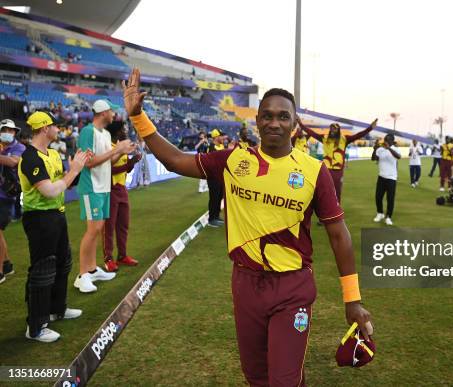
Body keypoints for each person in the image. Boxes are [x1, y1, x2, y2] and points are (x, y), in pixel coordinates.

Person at [123, 68, 373, 386]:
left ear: (295, 124)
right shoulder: (233, 161)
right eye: (267, 116)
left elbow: (339, 235)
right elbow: (174, 159)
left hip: (292, 288)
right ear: (257, 120)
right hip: (245, 285)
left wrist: (352, 300)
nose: (274, 122)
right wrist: (138, 117)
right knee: (257, 377)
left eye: (283, 116)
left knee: (282, 380)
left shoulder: (314, 171)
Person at [18, 111, 90, 342]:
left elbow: (65, 184)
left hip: (57, 216)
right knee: (42, 270)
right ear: (43, 128)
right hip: (39, 219)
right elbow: (50, 191)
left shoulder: (53, 154)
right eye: (54, 126)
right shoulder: (30, 158)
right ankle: (36, 327)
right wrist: (75, 171)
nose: (58, 129)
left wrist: (77, 168)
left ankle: (57, 309)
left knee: (63, 263)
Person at [74, 100, 135, 293]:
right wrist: (117, 149)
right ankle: (82, 275)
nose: (114, 115)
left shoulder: (106, 134)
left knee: (98, 228)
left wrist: (121, 151)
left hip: (103, 187)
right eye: (111, 112)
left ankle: (92, 269)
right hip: (91, 187)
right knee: (92, 230)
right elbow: (89, 163)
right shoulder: (88, 132)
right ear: (102, 113)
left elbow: (108, 160)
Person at [297, 120, 377, 203]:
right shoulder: (324, 138)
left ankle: (336, 208)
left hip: (337, 171)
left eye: (334, 129)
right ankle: (324, 207)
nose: (332, 130)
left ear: (338, 130)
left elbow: (358, 135)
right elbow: (312, 133)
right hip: (326, 169)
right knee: (324, 190)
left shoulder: (344, 139)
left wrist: (370, 128)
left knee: (337, 191)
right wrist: (300, 123)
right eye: (331, 128)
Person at [103, 121, 141, 272]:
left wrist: (132, 162)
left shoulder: (122, 147)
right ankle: (108, 259)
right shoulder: (108, 148)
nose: (126, 131)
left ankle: (122, 255)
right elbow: (107, 170)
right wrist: (128, 163)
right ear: (117, 132)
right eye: (123, 129)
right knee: (109, 227)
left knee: (123, 225)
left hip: (122, 189)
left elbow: (125, 171)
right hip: (110, 190)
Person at [0, 119, 25, 284]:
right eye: (5, 130)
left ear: (15, 132)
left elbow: (13, 161)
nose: (8, 133)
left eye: (11, 130)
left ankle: (0, 272)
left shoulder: (19, 147)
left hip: (6, 196)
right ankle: (7, 265)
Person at [372, 133, 401, 225]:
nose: (386, 141)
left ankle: (388, 216)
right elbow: (373, 159)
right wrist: (375, 149)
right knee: (378, 197)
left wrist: (389, 148)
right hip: (381, 176)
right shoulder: (380, 149)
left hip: (392, 178)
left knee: (390, 198)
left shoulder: (395, 149)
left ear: (392, 141)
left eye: (388, 140)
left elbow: (398, 157)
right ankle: (380, 213)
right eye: (385, 139)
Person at [207, 129, 227, 227]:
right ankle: (211, 219)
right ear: (216, 137)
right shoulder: (211, 148)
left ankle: (216, 216)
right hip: (213, 177)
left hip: (221, 177)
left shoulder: (222, 146)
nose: (223, 138)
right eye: (221, 136)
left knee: (219, 197)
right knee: (214, 198)